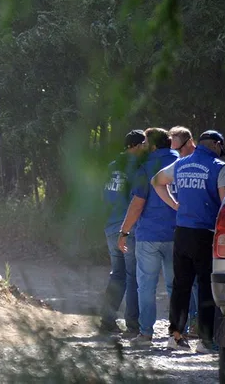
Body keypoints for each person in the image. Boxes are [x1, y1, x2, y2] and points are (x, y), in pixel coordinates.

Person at [152, 130, 225, 354]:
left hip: (182, 233)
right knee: (206, 287)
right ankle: (205, 341)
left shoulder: (181, 164)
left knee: (181, 286)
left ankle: (175, 336)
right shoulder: (220, 167)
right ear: (216, 145)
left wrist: (175, 204)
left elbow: (156, 181)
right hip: (206, 233)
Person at [117, 127, 178, 347]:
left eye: (144, 142)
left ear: (152, 146)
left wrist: (124, 231)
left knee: (147, 285)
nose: (142, 146)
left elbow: (137, 204)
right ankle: (179, 332)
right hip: (178, 234)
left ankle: (146, 334)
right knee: (176, 286)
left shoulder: (146, 168)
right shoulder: (183, 163)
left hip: (149, 236)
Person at [98, 130, 147, 336]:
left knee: (117, 275)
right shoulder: (137, 168)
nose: (146, 147)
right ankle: (133, 325)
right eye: (144, 143)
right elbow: (138, 200)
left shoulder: (111, 167)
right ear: (135, 145)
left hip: (110, 227)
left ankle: (107, 321)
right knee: (133, 276)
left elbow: (104, 197)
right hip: (128, 230)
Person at [169, 125, 200, 337]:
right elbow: (157, 182)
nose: (177, 154)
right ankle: (181, 330)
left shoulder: (204, 162)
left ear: (189, 142)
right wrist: (175, 205)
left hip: (203, 229)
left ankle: (197, 326)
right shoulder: (179, 164)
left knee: (199, 285)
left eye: (179, 149)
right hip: (184, 228)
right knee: (185, 284)